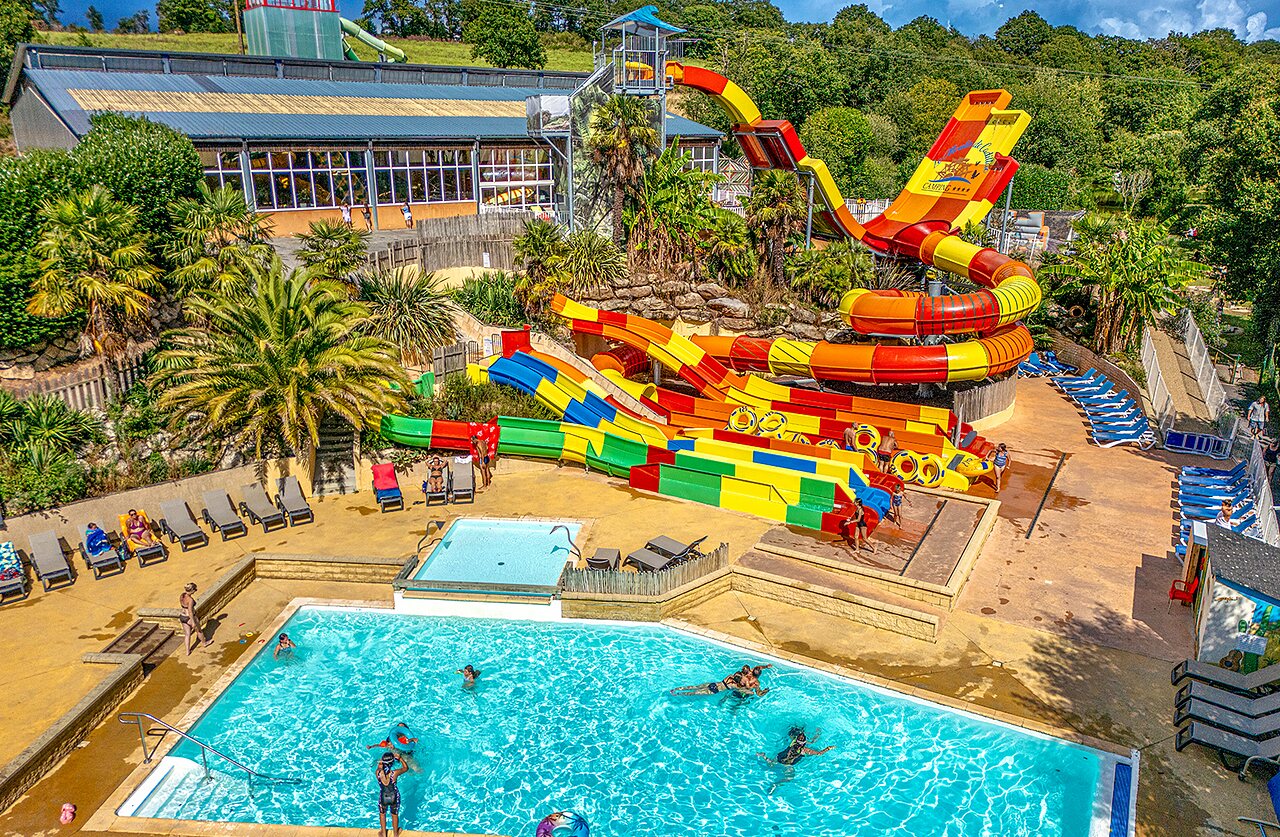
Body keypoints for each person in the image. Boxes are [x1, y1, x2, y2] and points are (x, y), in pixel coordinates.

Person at [758, 727, 833, 766]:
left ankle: (763, 756)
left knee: (771, 763)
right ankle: (777, 784)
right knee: (789, 778)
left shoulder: (793, 742)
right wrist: (828, 748)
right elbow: (819, 753)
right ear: (805, 742)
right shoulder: (805, 750)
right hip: (789, 764)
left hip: (780, 757)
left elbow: (790, 735)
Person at [375, 752, 408, 837]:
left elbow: (380, 766)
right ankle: (396, 834)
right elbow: (405, 768)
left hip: (383, 796)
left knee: (382, 814)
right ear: (392, 763)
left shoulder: (378, 773)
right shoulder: (394, 773)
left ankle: (383, 833)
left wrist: (381, 761)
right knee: (394, 815)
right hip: (394, 796)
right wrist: (400, 758)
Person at [179, 582, 212, 655]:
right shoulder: (190, 600)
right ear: (192, 590)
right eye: (195, 589)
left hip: (182, 616)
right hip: (190, 617)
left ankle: (187, 651)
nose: (195, 591)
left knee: (187, 634)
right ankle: (204, 643)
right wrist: (193, 622)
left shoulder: (182, 595)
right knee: (199, 631)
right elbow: (190, 611)